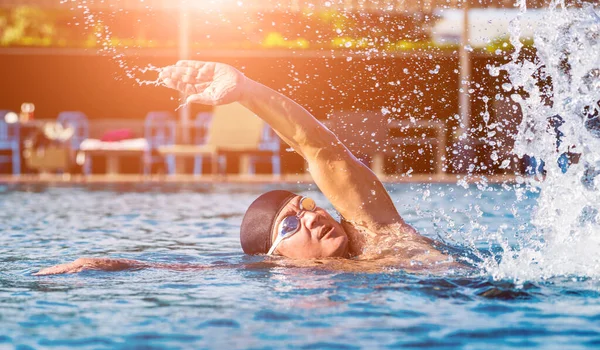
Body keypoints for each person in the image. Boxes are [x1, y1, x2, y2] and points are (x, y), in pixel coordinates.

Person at [34, 61, 464, 276]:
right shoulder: (304, 275)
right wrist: (104, 264)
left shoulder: (375, 233)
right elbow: (191, 270)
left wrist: (246, 89)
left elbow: (319, 149)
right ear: (277, 261)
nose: (312, 217)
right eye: (291, 226)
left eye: (305, 206)